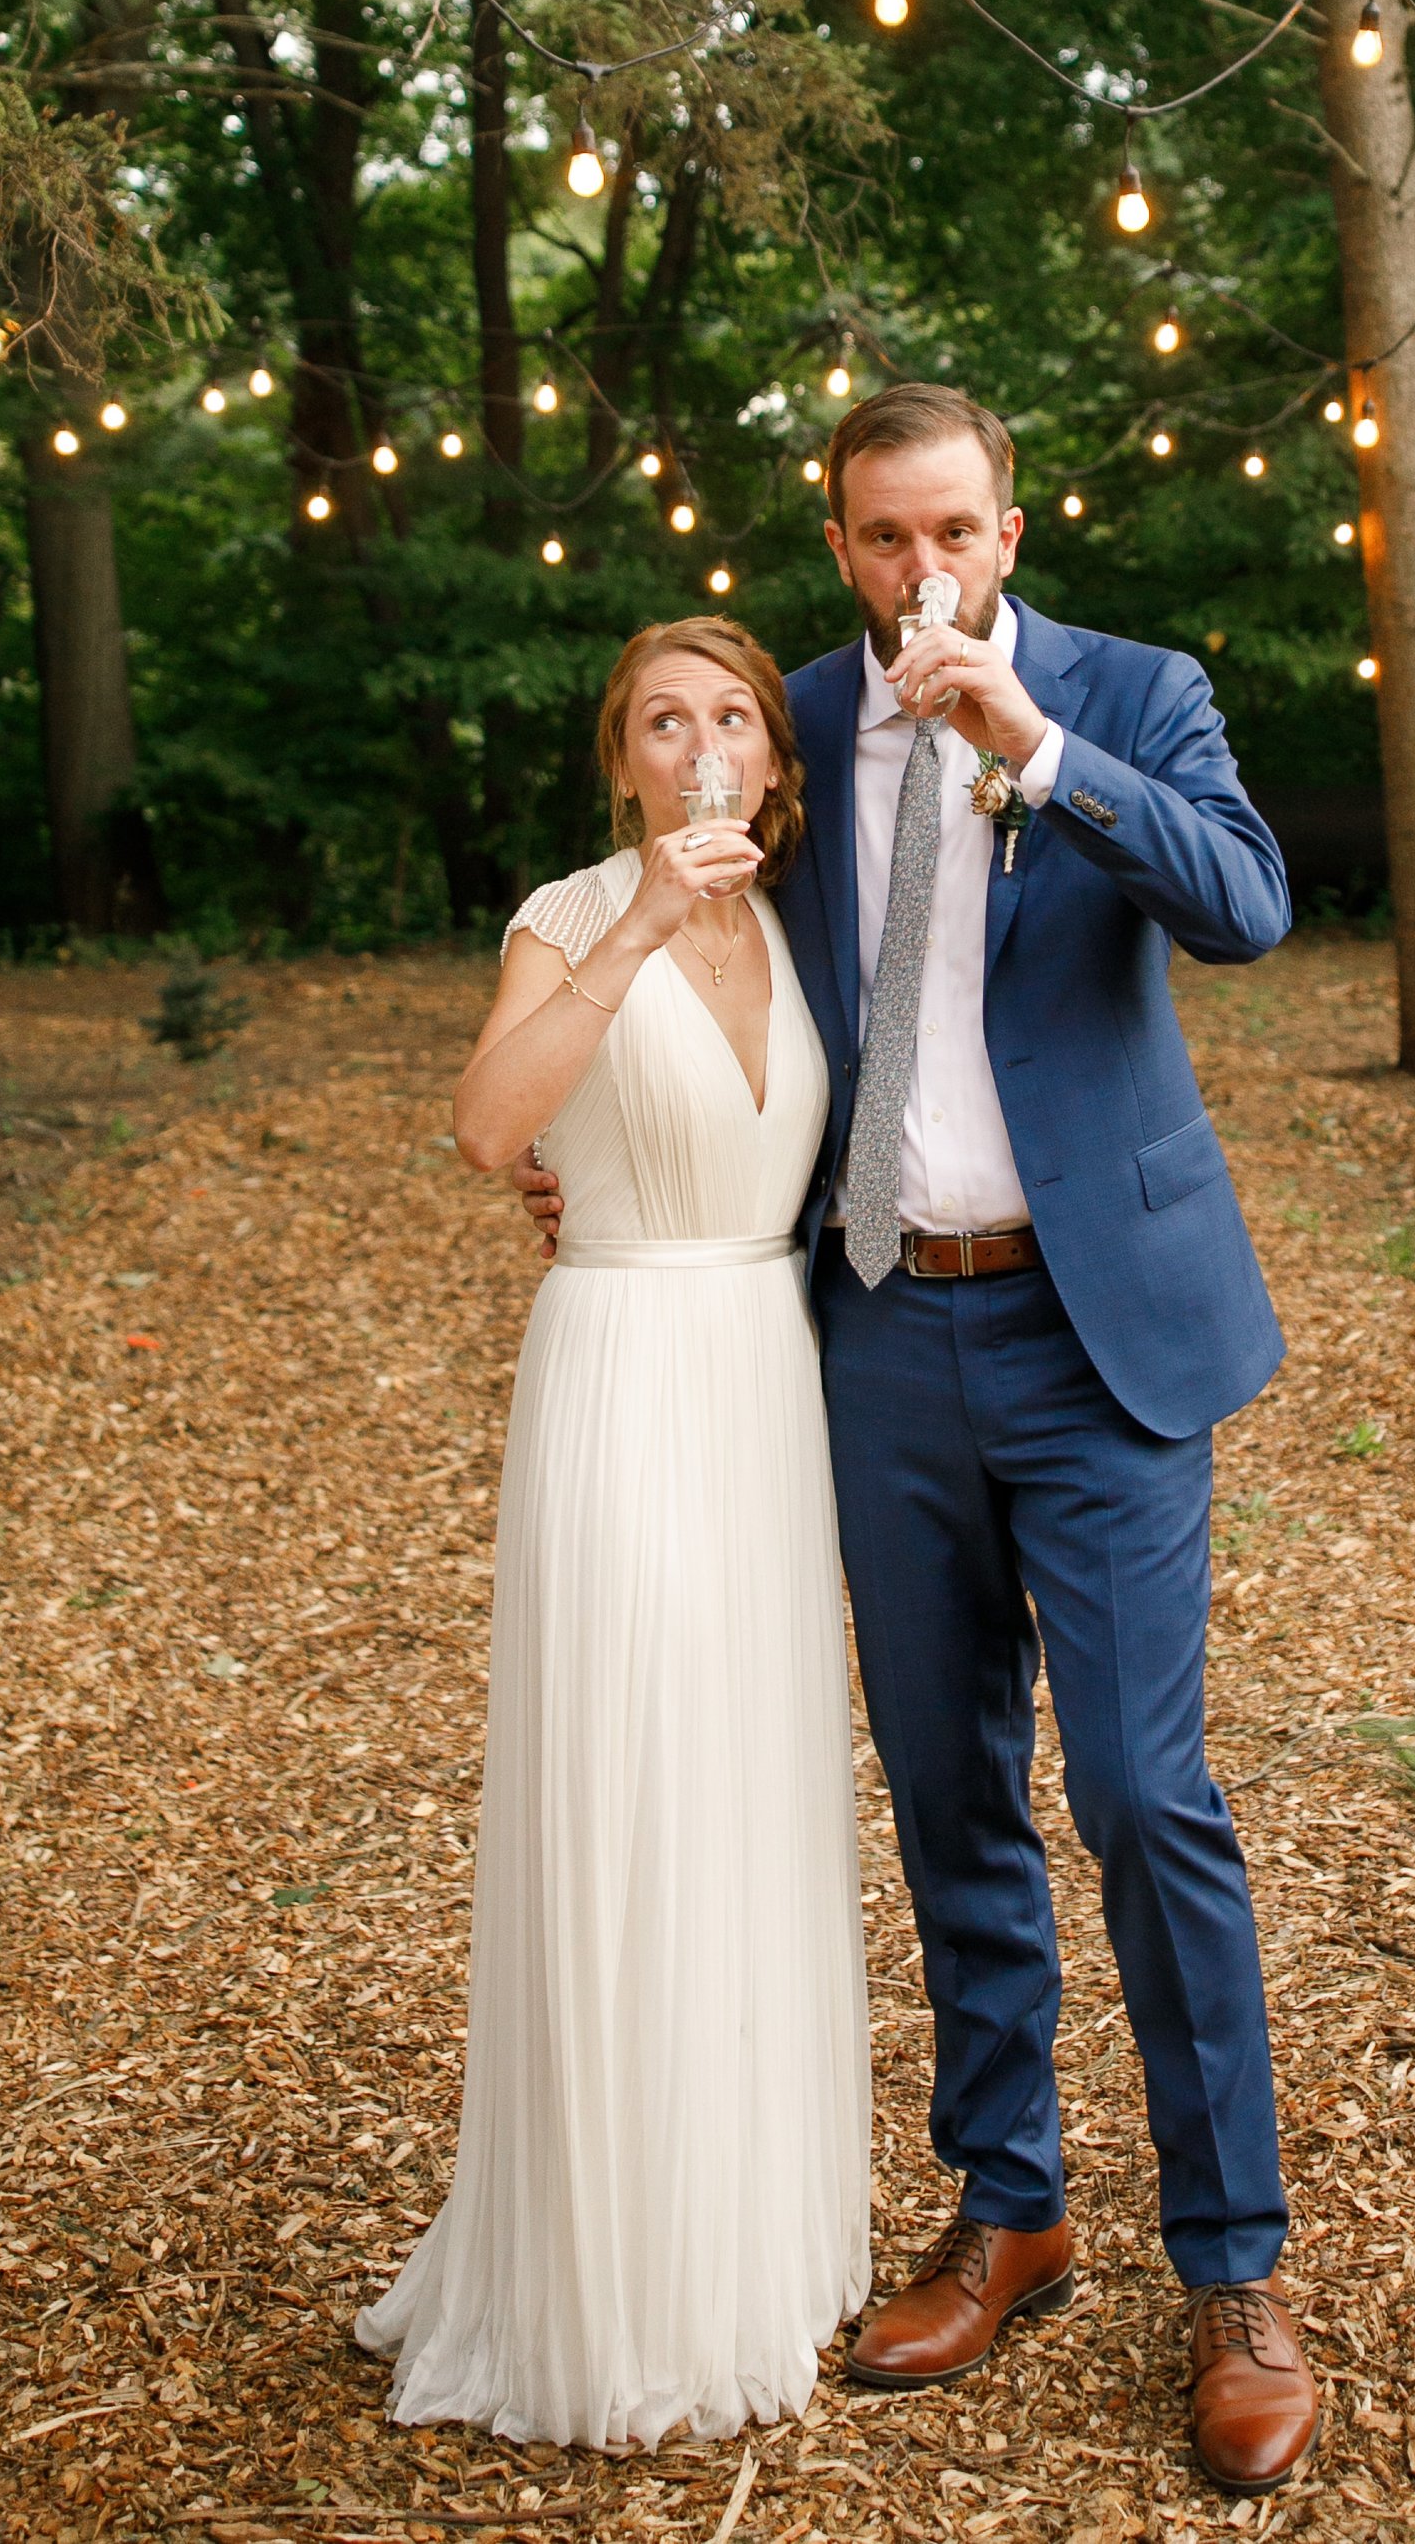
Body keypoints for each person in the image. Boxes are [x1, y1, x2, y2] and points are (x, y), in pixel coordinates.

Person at [521, 383, 1319, 2490]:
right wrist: (586, 1162)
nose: (919, 573)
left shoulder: (1129, 691)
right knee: (949, 1796)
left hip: (1096, 1335)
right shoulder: (777, 724)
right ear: (840, 544)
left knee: (1145, 1797)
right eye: (881, 541)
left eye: (950, 530)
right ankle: (1010, 2204)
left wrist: (1032, 757)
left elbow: (1245, 907)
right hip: (869, 1331)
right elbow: (680, 956)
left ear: (1009, 523)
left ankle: (1230, 2263)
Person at [355, 620, 868, 2450]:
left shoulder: (812, 930)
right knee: (631, 1782)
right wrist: (638, 926)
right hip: (623, 1365)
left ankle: (750, 2229)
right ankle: (605, 2270)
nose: (704, 742)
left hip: (768, 1384)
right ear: (624, 755)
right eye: (668, 717)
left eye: (735, 714)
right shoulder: (571, 912)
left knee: (747, 1790)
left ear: (777, 759)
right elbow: (492, 1128)